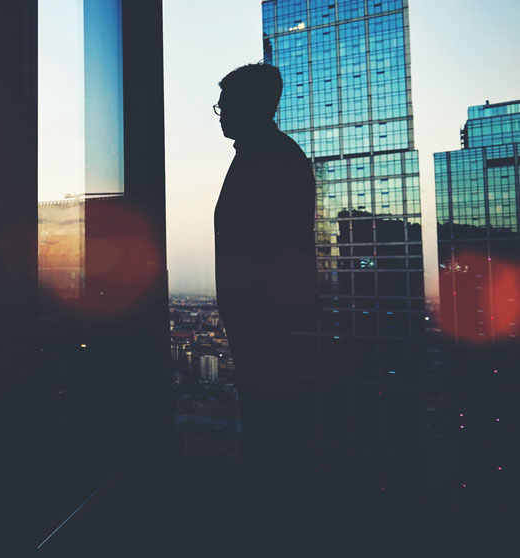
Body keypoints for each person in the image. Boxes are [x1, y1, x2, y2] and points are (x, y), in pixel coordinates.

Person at [213, 63, 320, 528]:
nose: (219, 114)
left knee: (271, 428)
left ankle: (266, 520)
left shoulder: (270, 159)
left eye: (225, 105)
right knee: (268, 423)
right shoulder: (268, 154)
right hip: (266, 321)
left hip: (268, 323)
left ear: (253, 106)